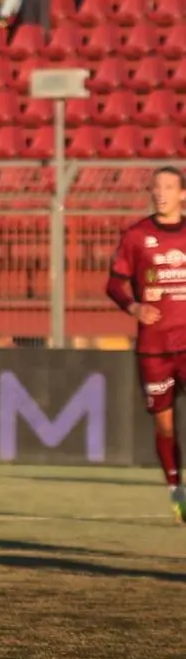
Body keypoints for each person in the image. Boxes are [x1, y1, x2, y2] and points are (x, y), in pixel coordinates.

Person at [108, 167, 186, 519]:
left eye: (169, 187)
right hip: (154, 348)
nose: (161, 193)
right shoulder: (137, 236)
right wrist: (134, 306)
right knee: (165, 425)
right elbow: (113, 284)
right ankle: (176, 488)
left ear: (183, 194)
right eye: (156, 187)